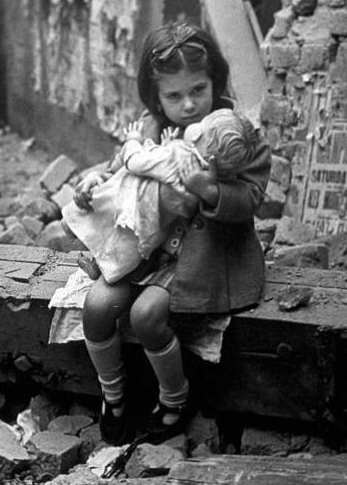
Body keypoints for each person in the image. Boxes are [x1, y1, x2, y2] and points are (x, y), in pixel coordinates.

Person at [72, 22, 270, 445]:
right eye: (174, 96)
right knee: (97, 306)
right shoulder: (150, 127)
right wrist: (94, 182)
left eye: (198, 89)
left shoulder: (236, 132)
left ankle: (174, 399)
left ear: (215, 80)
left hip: (204, 257)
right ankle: (115, 395)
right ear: (155, 96)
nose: (189, 105)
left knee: (146, 316)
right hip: (145, 248)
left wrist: (211, 190)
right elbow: (123, 166)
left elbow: (252, 196)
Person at [62, 107, 260, 285]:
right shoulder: (206, 178)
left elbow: (135, 162)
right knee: (120, 254)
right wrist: (168, 145)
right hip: (154, 231)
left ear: (201, 139)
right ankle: (98, 267)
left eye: (202, 127)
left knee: (77, 223)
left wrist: (133, 139)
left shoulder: (179, 157)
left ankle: (79, 242)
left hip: (131, 209)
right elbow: (173, 182)